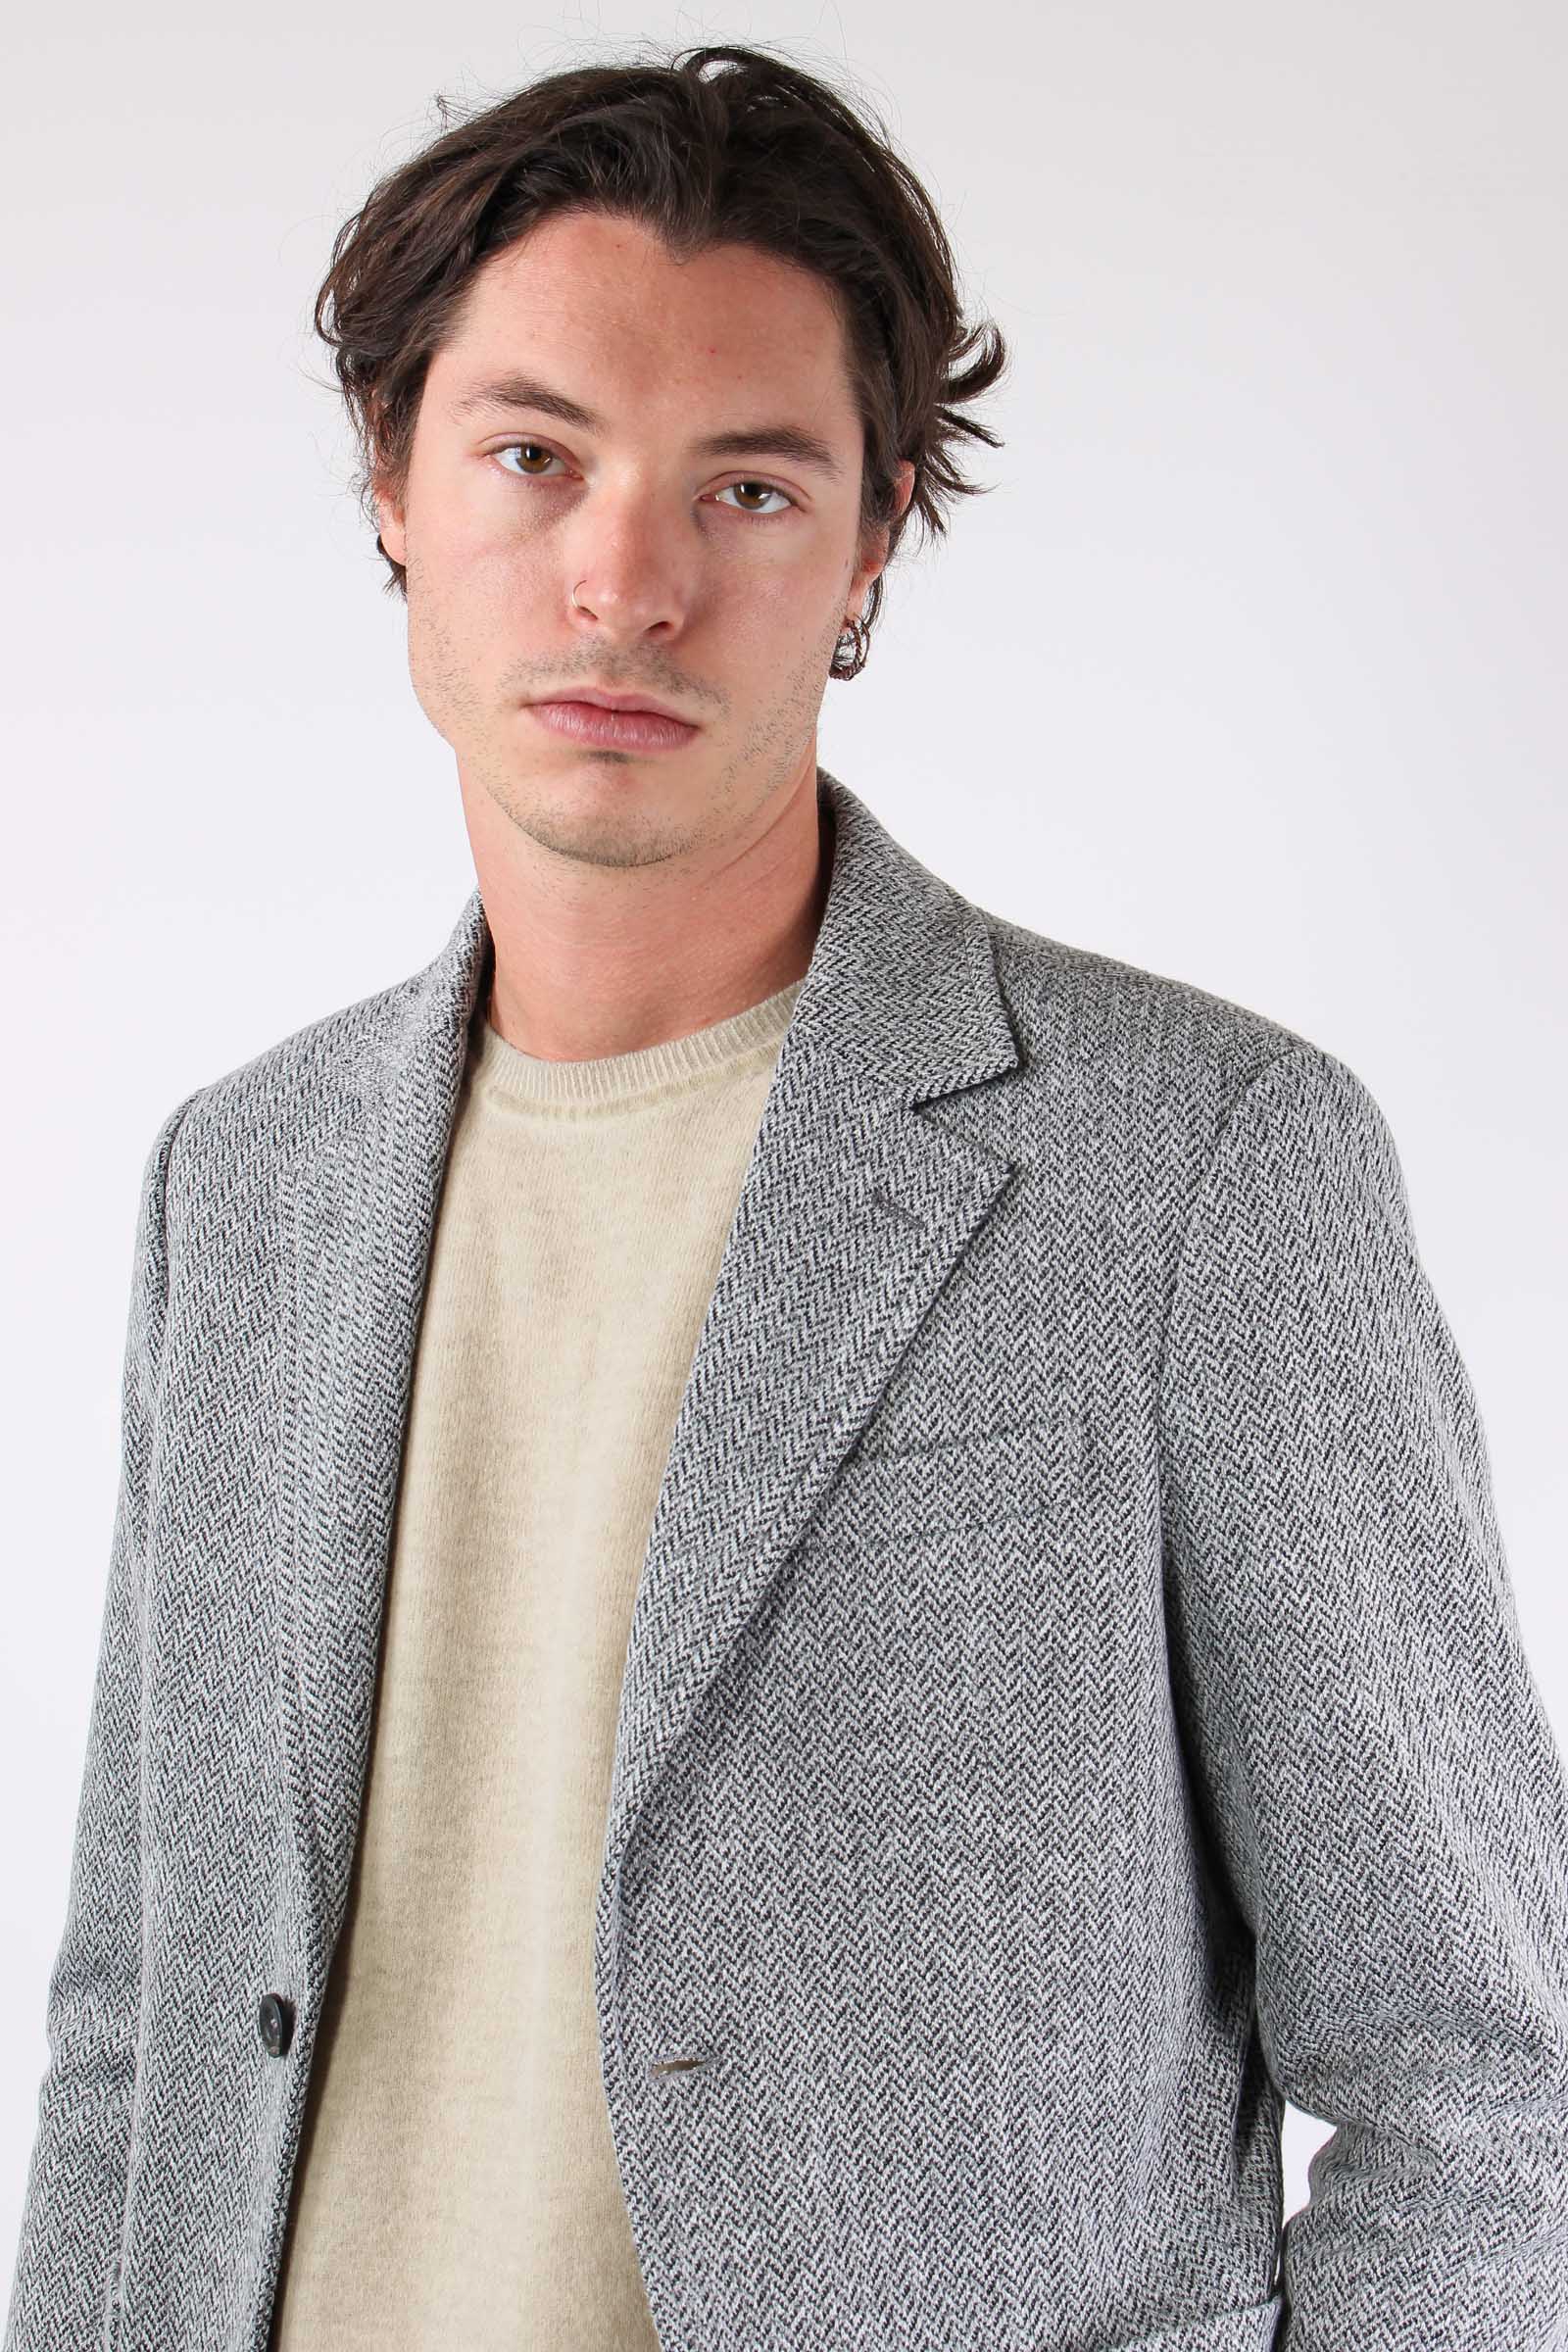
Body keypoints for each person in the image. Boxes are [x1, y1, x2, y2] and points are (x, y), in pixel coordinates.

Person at [7, 40, 1566, 2352]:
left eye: (744, 488)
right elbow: (142, 2041)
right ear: (393, 487)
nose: (624, 581)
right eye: (532, 455)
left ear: (867, 544)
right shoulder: (240, 1189)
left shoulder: (1195, 1166)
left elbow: (1487, 2085)